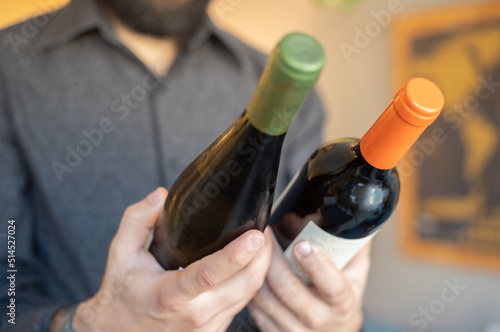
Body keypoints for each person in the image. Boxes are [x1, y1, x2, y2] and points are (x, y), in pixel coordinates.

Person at [0, 0, 370, 331]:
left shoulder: (284, 86)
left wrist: (339, 321)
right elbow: (7, 282)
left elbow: (298, 248)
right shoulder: (9, 67)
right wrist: (81, 324)